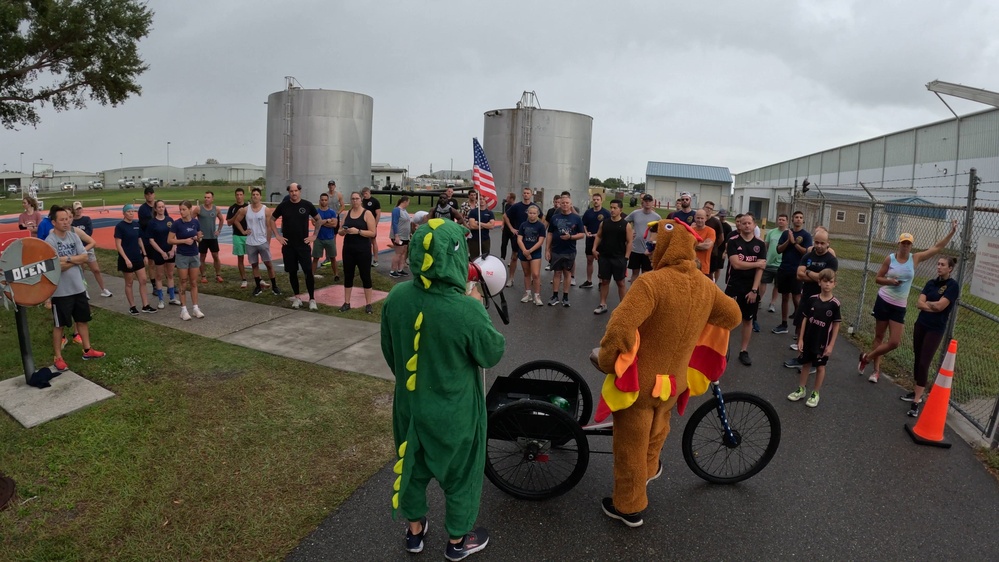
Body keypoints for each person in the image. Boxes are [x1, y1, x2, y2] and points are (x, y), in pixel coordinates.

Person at [381, 218, 504, 560]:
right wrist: (478, 304)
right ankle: (457, 541)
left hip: (410, 405)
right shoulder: (465, 308)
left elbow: (391, 351)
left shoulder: (397, 296)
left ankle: (415, 532)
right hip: (454, 410)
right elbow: (491, 352)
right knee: (461, 473)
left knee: (412, 467)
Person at [859, 220, 958, 383]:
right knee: (879, 336)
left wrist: (952, 232)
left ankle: (866, 357)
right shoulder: (890, 259)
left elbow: (937, 248)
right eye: (903, 243)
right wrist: (890, 281)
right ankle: (875, 371)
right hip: (884, 300)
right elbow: (878, 278)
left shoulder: (915, 258)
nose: (905, 246)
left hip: (899, 305)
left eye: (908, 244)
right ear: (898, 244)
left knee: (894, 342)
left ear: (911, 246)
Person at [45, 207, 106, 371]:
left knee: (82, 320)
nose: (66, 222)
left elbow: (85, 257)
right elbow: (55, 266)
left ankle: (87, 350)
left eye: (67, 219)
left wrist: (67, 259)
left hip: (78, 288)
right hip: (61, 291)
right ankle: (58, 356)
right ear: (54, 222)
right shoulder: (50, 241)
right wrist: (74, 260)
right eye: (62, 219)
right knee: (60, 325)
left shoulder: (73, 235)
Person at [904, 257, 960, 417]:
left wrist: (929, 304)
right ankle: (915, 391)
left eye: (942, 265)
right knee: (917, 357)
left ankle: (916, 401)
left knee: (924, 362)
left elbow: (942, 306)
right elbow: (919, 303)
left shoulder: (952, 286)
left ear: (950, 268)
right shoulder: (931, 283)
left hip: (935, 329)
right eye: (938, 264)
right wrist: (932, 306)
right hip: (921, 324)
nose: (939, 267)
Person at [783, 227, 838, 368]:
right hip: (807, 297)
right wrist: (817, 276)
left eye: (822, 243)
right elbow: (798, 274)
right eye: (816, 242)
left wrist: (808, 272)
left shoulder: (831, 260)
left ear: (828, 243)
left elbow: (827, 279)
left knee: (817, 332)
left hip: (823, 301)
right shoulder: (807, 256)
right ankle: (800, 357)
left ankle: (814, 362)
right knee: (802, 326)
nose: (819, 246)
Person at [786, 269, 841, 408]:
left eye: (830, 282)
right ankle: (801, 389)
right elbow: (804, 319)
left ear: (834, 284)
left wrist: (831, 345)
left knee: (820, 367)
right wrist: (801, 339)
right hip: (809, 339)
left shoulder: (835, 304)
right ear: (819, 282)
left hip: (822, 342)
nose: (827, 284)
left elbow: (836, 326)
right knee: (805, 364)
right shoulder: (812, 299)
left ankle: (815, 393)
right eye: (824, 281)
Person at [271, 183, 321, 310]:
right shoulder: (283, 206)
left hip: (303, 245)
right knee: (292, 272)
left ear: (300, 191)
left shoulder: (307, 205)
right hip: (288, 245)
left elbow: (318, 219)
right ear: (289, 192)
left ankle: (312, 299)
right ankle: (297, 297)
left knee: (308, 271)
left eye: (296, 191)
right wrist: (277, 235)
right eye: (291, 191)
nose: (294, 193)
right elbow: (271, 219)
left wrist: (314, 235)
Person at [725, 213, 766, 366]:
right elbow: (736, 264)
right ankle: (722, 350)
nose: (747, 225)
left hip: (750, 289)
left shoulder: (760, 244)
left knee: (747, 320)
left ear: (754, 225)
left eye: (749, 223)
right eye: (744, 223)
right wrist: (756, 264)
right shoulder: (733, 242)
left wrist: (755, 290)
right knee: (728, 319)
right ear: (739, 225)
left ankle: (743, 351)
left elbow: (760, 270)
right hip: (734, 286)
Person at [232, 187, 280, 296]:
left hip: (262, 242)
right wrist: (243, 231)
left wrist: (268, 241)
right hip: (250, 242)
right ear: (251, 196)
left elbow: (269, 226)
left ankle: (275, 286)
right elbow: (236, 221)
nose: (255, 196)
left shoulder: (265, 210)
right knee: (254, 265)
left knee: (268, 264)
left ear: (260, 197)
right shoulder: (245, 209)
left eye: (257, 194)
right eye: (253, 194)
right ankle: (258, 287)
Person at [338, 191, 378, 313]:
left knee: (365, 275)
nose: (355, 201)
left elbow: (373, 233)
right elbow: (339, 231)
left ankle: (368, 304)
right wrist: (344, 232)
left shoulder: (367, 213)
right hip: (349, 249)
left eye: (357, 198)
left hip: (363, 250)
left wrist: (358, 231)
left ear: (361, 200)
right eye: (353, 199)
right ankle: (347, 302)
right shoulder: (347, 213)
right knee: (348, 275)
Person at [772, 211, 811, 335]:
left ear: (803, 220)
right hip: (784, 269)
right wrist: (788, 241)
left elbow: (806, 252)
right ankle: (784, 324)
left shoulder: (806, 235)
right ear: (792, 220)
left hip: (797, 271)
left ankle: (799, 327)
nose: (798, 219)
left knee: (796, 297)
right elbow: (778, 250)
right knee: (784, 297)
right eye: (796, 217)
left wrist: (794, 242)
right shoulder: (786, 233)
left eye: (800, 217)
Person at [592, 199, 633, 315]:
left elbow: (630, 242)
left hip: (619, 258)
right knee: (604, 281)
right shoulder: (604, 223)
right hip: (604, 257)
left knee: (620, 283)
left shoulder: (626, 225)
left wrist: (626, 257)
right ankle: (602, 304)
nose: (612, 210)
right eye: (611, 207)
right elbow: (599, 236)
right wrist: (594, 249)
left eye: (615, 208)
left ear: (621, 210)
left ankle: (623, 308)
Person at [167, 200, 206, 320]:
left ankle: (195, 308)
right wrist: (183, 241)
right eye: (180, 210)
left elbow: (199, 237)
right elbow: (170, 240)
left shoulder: (195, 222)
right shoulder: (177, 224)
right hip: (182, 256)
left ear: (190, 210)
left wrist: (198, 238)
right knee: (183, 281)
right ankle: (183, 310)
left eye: (184, 209)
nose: (182, 212)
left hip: (194, 254)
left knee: (194, 282)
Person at [114, 204, 155, 315]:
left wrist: (145, 255)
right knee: (129, 283)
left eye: (133, 211)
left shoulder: (136, 225)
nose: (131, 213)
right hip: (127, 259)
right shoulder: (120, 227)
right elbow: (118, 245)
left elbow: (139, 240)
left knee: (143, 280)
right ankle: (132, 306)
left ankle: (145, 305)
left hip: (137, 257)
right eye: (129, 211)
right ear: (124, 213)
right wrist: (126, 259)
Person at [546, 194, 584, 307]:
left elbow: (582, 234)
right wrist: (547, 249)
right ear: (560, 204)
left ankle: (566, 297)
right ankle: (555, 296)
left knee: (567, 273)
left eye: (567, 203)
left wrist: (571, 237)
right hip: (556, 250)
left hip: (569, 251)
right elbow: (550, 233)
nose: (565, 205)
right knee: (557, 273)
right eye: (563, 203)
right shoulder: (555, 217)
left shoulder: (576, 218)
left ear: (571, 204)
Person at [70, 201, 113, 298]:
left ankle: (103, 289)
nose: (78, 210)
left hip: (87, 248)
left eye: (80, 208)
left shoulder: (86, 219)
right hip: (76, 250)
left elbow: (89, 232)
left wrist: (83, 241)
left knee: (96, 269)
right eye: (76, 209)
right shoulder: (71, 222)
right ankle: (83, 290)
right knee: (80, 271)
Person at [145, 200, 179, 309]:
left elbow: (174, 236)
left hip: (170, 252)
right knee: (159, 276)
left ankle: (172, 297)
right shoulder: (152, 223)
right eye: (159, 207)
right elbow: (151, 240)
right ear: (155, 209)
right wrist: (162, 252)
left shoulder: (170, 220)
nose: (161, 209)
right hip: (159, 253)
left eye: (163, 207)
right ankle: (160, 300)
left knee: (170, 274)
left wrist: (173, 249)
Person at [624, 194, 659, 282]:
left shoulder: (657, 217)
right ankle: (633, 294)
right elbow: (624, 223)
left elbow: (660, 232)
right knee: (634, 274)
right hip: (635, 249)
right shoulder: (635, 213)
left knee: (646, 275)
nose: (647, 203)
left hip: (648, 251)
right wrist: (630, 231)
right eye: (645, 201)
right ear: (642, 202)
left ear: (652, 203)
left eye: (649, 201)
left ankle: (644, 295)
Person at [503, 187, 534, 287]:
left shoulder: (534, 207)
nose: (526, 195)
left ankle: (533, 278)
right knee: (514, 257)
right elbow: (505, 216)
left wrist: (537, 230)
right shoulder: (517, 206)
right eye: (524, 193)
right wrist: (511, 228)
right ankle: (511, 278)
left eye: (528, 193)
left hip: (530, 237)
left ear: (531, 195)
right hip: (518, 236)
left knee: (531, 258)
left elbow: (542, 218)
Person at [517, 204, 546, 306]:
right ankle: (527, 293)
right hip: (523, 251)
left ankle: (537, 295)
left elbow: (540, 241)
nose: (532, 215)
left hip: (535, 252)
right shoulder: (523, 225)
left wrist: (530, 251)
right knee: (526, 273)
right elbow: (519, 239)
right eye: (530, 213)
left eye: (534, 213)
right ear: (527, 213)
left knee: (536, 274)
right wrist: (524, 250)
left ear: (537, 214)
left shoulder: (541, 226)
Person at [194, 191, 225, 284]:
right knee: (202, 257)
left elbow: (222, 219)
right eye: (205, 197)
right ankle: (203, 276)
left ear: (212, 199)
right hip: (203, 238)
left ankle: (218, 275)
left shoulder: (216, 209)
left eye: (208, 197)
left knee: (215, 256)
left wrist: (219, 230)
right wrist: (197, 232)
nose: (206, 199)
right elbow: (191, 220)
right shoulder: (198, 209)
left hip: (213, 237)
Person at [581, 192, 611, 288]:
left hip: (601, 241)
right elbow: (584, 225)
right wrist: (586, 232)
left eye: (598, 200)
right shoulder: (588, 212)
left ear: (601, 201)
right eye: (594, 200)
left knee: (601, 261)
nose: (596, 201)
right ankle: (589, 281)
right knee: (589, 260)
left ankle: (601, 281)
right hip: (590, 240)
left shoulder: (606, 213)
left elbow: (609, 227)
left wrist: (599, 235)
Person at [761, 214, 787, 313]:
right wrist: (763, 258)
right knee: (763, 282)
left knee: (777, 285)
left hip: (781, 265)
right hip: (769, 263)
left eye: (783, 220)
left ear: (787, 222)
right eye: (779, 219)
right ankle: (759, 300)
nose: (781, 221)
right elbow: (765, 246)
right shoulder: (771, 232)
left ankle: (772, 303)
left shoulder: (788, 234)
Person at [311, 193, 340, 280]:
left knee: (333, 258)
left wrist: (321, 223)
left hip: (330, 238)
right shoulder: (316, 212)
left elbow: (334, 224)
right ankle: (311, 275)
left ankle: (336, 275)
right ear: (320, 201)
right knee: (315, 258)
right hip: (318, 238)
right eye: (322, 200)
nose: (324, 201)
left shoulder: (332, 212)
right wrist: (327, 221)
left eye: (325, 200)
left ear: (328, 201)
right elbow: (315, 223)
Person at [465, 190, 500, 261]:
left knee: (486, 257)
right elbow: (472, 226)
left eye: (483, 199)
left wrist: (479, 223)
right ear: (477, 200)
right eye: (480, 199)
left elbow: (491, 226)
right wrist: (486, 225)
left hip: (485, 239)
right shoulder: (473, 212)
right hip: (474, 239)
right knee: (474, 258)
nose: (482, 201)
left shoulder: (490, 213)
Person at [226, 187, 250, 288]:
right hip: (237, 236)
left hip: (249, 235)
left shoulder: (248, 207)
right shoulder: (232, 208)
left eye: (241, 195)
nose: (239, 197)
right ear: (235, 196)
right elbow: (229, 223)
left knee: (253, 257)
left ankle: (259, 278)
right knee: (240, 258)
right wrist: (237, 213)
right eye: (237, 195)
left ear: (243, 195)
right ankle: (244, 279)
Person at [325, 180, 345, 277]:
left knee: (333, 237)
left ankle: (332, 256)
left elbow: (343, 205)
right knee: (325, 236)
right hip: (326, 217)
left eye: (333, 185)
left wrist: (337, 213)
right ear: (328, 186)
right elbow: (322, 204)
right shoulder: (325, 195)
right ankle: (327, 257)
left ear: (335, 186)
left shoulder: (338, 195)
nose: (331, 186)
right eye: (330, 185)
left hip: (334, 218)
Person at [389, 196, 411, 277]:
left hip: (405, 236)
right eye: (408, 202)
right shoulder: (396, 210)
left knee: (403, 252)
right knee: (398, 253)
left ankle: (400, 269)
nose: (408, 204)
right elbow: (394, 223)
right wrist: (396, 235)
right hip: (399, 235)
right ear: (405, 202)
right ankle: (392, 270)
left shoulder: (404, 211)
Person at [360, 187, 382, 267]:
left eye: (366, 193)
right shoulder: (361, 201)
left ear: (369, 192)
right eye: (363, 194)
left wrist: (375, 225)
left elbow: (378, 214)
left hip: (371, 225)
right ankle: (364, 258)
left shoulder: (375, 201)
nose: (365, 195)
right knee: (363, 242)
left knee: (373, 241)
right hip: (363, 224)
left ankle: (375, 259)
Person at [691, 209, 716, 276]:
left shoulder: (710, 231)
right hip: (690, 266)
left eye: (702, 218)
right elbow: (685, 245)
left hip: (704, 268)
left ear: (706, 219)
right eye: (698, 218)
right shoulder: (690, 230)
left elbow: (707, 246)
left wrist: (692, 245)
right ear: (694, 218)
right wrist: (701, 244)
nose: (700, 220)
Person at [499, 192, 517, 261]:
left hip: (513, 228)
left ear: (512, 199)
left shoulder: (515, 207)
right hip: (506, 228)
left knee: (513, 245)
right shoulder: (507, 205)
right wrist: (503, 224)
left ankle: (512, 258)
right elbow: (505, 216)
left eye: (508, 197)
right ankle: (502, 258)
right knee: (504, 243)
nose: (506, 198)